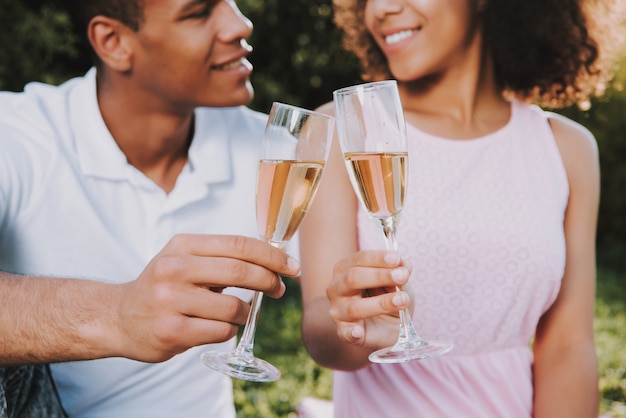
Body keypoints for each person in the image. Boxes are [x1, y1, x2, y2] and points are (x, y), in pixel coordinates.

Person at [299, 0, 624, 416]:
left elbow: (568, 346)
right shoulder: (348, 131)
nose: (380, 9)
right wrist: (355, 325)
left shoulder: (566, 150)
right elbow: (321, 331)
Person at [0, 0, 302, 417]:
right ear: (114, 42)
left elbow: (337, 307)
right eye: (199, 13)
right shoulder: (17, 134)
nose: (239, 24)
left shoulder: (277, 153)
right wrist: (118, 315)